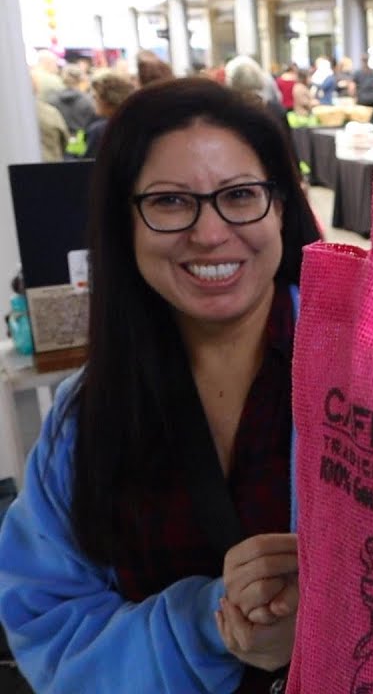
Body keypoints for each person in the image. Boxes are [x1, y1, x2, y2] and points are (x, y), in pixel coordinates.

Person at [0, 77, 322, 692]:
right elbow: (46, 626)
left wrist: (327, 617)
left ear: (281, 207)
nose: (209, 233)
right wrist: (210, 628)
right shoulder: (86, 416)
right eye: (170, 202)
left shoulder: (371, 374)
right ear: (125, 224)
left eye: (240, 195)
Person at [84, 70, 137, 159]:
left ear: (108, 99)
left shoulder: (99, 130)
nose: (93, 100)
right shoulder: (138, 123)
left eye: (95, 96)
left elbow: (86, 162)